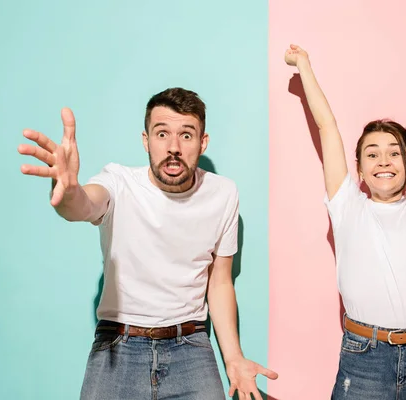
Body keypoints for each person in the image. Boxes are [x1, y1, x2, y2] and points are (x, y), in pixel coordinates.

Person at [18, 87, 277, 400]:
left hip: (191, 345)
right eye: (162, 133)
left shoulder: (223, 193)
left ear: (202, 142)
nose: (173, 147)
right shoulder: (119, 181)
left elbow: (220, 281)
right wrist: (68, 189)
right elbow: (83, 205)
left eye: (186, 135)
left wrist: (234, 359)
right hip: (119, 342)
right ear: (146, 140)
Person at [284, 35, 406, 399]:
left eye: (394, 153)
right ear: (358, 169)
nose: (384, 161)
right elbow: (327, 126)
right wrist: (304, 67)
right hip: (364, 357)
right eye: (372, 154)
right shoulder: (347, 206)